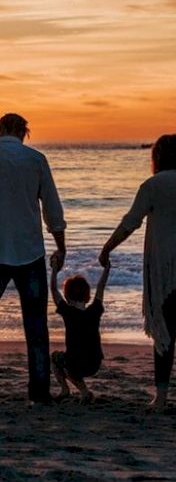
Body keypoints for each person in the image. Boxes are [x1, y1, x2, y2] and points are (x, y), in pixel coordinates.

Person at [0, 112, 66, 406]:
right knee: (36, 325)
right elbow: (52, 208)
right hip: (30, 251)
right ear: (24, 132)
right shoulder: (36, 160)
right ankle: (39, 392)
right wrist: (61, 244)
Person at [99, 132, 176, 411]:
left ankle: (162, 397)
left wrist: (108, 248)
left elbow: (130, 223)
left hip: (164, 271)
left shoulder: (152, 185)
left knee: (164, 332)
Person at [50, 263, 109, 404]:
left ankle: (72, 390)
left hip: (75, 363)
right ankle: (82, 392)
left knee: (55, 358)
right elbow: (101, 287)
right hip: (94, 363)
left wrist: (54, 269)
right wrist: (107, 268)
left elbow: (53, 290)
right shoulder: (94, 310)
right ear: (88, 296)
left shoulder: (68, 312)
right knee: (70, 362)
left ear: (68, 297)